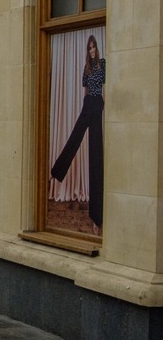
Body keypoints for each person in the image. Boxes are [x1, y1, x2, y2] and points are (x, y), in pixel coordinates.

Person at [51, 36, 105, 227]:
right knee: (75, 137)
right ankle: (57, 171)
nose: (91, 50)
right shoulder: (87, 68)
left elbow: (105, 87)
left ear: (97, 48)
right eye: (89, 48)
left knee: (96, 154)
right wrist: (85, 106)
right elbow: (85, 91)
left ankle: (97, 216)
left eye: (94, 47)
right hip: (88, 103)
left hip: (98, 105)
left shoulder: (103, 64)